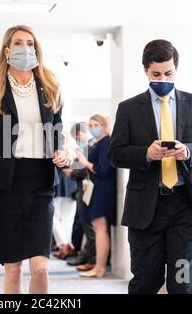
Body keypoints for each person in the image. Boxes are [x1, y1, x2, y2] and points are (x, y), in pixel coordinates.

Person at [108, 39, 192, 294]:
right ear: (145, 70)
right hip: (146, 210)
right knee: (145, 282)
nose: (163, 78)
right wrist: (146, 154)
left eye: (168, 73)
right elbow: (115, 154)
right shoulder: (128, 109)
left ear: (176, 69)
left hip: (185, 207)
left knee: (182, 283)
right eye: (156, 74)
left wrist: (188, 151)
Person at [0, 25, 67, 294]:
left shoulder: (50, 87)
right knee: (13, 269)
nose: (25, 48)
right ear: (7, 50)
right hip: (6, 186)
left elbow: (58, 131)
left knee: (41, 268)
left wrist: (60, 150)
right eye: (18, 42)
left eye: (30, 43)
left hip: (40, 184)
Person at [75, 115, 117, 278]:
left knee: (100, 229)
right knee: (98, 229)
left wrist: (84, 162)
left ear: (104, 125)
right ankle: (98, 266)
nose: (93, 128)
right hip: (96, 188)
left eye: (96, 125)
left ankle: (100, 267)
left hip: (102, 190)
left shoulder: (106, 143)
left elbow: (103, 170)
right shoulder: (98, 143)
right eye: (91, 125)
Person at [64, 122, 96, 271]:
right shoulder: (86, 146)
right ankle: (85, 255)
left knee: (88, 226)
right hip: (82, 188)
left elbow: (85, 169)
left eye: (76, 137)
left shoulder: (90, 146)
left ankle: (91, 258)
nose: (76, 139)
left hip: (87, 188)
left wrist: (71, 172)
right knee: (82, 223)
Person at [52, 167, 77, 260]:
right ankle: (66, 246)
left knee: (54, 218)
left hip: (61, 179)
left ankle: (65, 245)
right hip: (71, 180)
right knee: (67, 219)